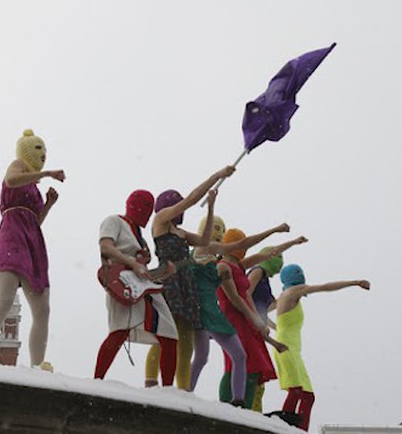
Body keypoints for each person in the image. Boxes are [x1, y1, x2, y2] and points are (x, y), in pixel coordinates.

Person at [0, 129, 64, 370]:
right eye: (38, 149)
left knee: (42, 309)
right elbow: (11, 181)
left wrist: (48, 205)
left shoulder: (33, 186)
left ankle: (37, 365)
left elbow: (35, 221)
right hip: (12, 237)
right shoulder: (18, 166)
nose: (43, 154)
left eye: (45, 151)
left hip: (32, 241)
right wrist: (47, 173)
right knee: (4, 300)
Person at [188, 199, 291, 407]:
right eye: (214, 231)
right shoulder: (210, 258)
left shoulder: (226, 262)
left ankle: (238, 401)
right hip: (206, 312)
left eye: (221, 232)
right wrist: (211, 206)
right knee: (203, 357)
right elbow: (236, 298)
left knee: (235, 356)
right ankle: (186, 393)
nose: (217, 236)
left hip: (215, 313)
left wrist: (280, 234)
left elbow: (256, 250)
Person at [143, 166, 236, 389]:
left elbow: (204, 241)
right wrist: (216, 176)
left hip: (186, 284)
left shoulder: (181, 233)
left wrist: (211, 208)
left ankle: (183, 389)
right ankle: (151, 383)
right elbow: (192, 200)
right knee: (165, 334)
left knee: (186, 339)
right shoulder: (160, 221)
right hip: (169, 281)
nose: (179, 207)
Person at [270, 265, 370, 431]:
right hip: (286, 348)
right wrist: (354, 282)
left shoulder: (284, 296)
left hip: (292, 348)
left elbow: (260, 312)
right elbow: (325, 287)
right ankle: (284, 428)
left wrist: (277, 328)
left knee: (308, 396)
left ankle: (300, 430)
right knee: (296, 391)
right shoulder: (293, 291)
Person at [94, 190, 179, 385]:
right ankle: (97, 381)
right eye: (143, 205)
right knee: (119, 332)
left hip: (140, 287)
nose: (146, 211)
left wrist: (164, 273)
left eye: (149, 207)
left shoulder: (142, 239)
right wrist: (132, 263)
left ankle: (167, 388)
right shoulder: (114, 221)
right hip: (119, 283)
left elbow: (143, 272)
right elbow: (106, 247)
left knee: (169, 334)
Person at [216, 229, 307, 408]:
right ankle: (226, 405)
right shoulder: (223, 266)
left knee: (254, 365)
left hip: (246, 318)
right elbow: (235, 298)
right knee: (236, 361)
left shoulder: (240, 265)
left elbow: (268, 254)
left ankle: (244, 406)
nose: (244, 248)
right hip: (233, 318)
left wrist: (291, 241)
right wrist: (255, 318)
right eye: (240, 243)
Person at [246, 247, 285, 411]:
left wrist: (275, 331)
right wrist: (258, 320)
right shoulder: (258, 271)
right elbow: (245, 295)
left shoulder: (264, 278)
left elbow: (262, 311)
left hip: (256, 330)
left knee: (258, 379)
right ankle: (247, 411)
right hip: (249, 328)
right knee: (254, 374)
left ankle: (254, 413)